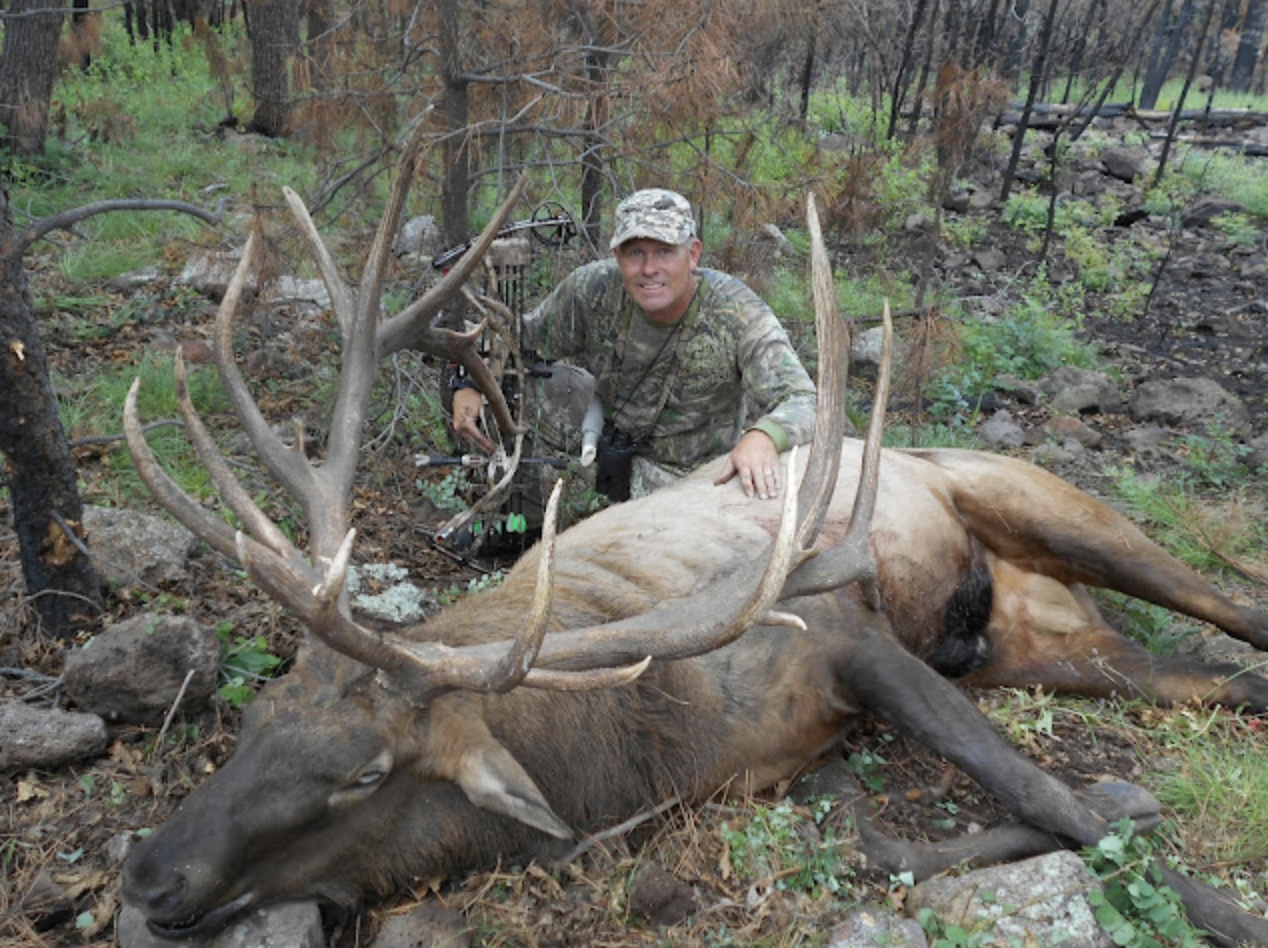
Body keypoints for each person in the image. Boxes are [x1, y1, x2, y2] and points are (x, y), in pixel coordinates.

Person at [451, 188, 816, 501]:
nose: (648, 268)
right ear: (618, 257)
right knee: (498, 383)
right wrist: (471, 383)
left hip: (687, 479)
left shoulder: (737, 312)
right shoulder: (592, 289)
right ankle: (521, 515)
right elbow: (518, 341)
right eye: (635, 253)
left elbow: (802, 399)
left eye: (664, 252)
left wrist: (763, 436)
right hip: (599, 439)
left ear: (693, 254)